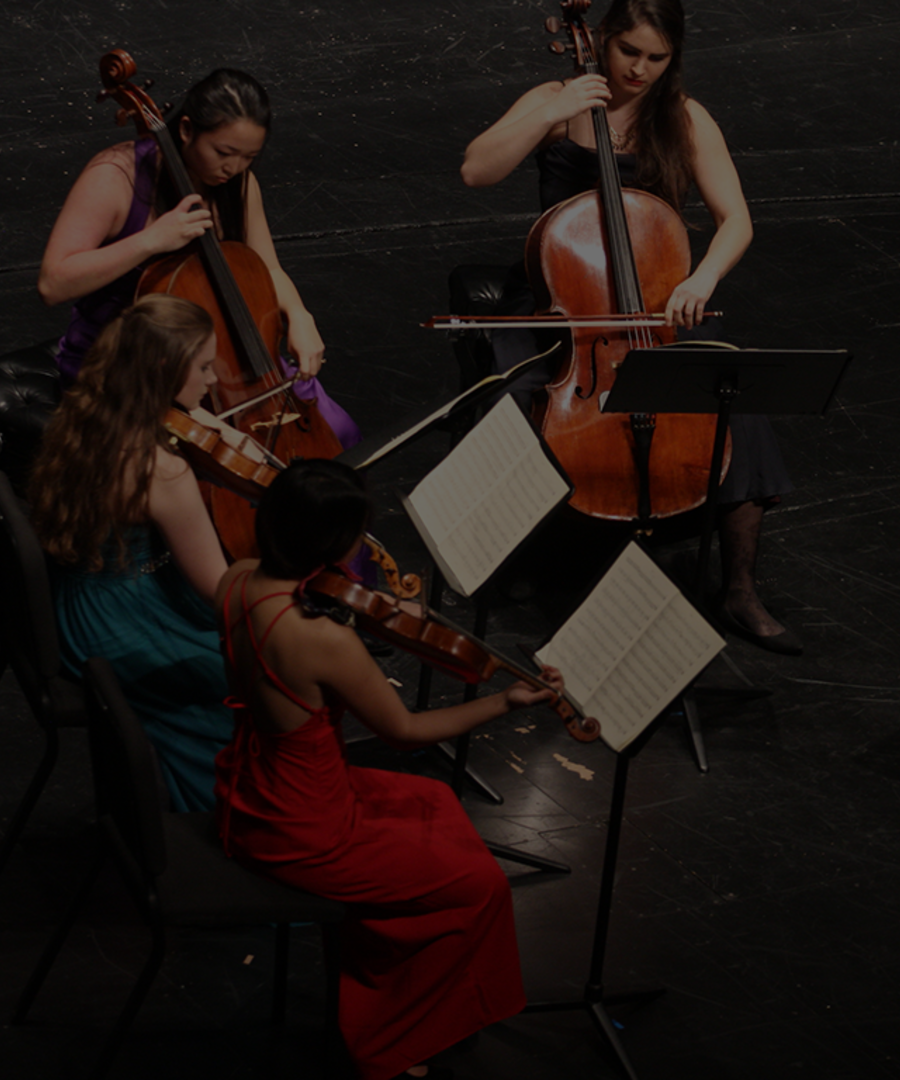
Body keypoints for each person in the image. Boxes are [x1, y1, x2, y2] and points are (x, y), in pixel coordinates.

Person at [460, 0, 799, 653]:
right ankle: (518, 557)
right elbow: (477, 169)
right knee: (511, 399)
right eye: (628, 53)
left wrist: (700, 280)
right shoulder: (557, 103)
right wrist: (550, 111)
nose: (639, 70)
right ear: (604, 42)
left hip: (652, 304)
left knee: (733, 397)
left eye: (656, 58)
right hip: (564, 301)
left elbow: (737, 221)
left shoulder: (684, 118)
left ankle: (738, 587)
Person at [214, 458, 554, 1080]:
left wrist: (377, 610)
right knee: (480, 887)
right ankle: (394, 1039)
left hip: (253, 789)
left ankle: (388, 991)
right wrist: (504, 700)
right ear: (330, 542)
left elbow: (312, 621)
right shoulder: (320, 639)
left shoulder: (235, 580)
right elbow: (404, 732)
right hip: (308, 825)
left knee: (433, 803)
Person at [38, 66, 357, 445]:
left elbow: (267, 267)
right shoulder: (116, 176)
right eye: (223, 152)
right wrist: (149, 241)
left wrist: (300, 316)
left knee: (339, 434)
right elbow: (54, 282)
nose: (234, 168)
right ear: (187, 130)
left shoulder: (239, 183)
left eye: (248, 157)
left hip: (218, 356)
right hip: (127, 363)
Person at [30, 294, 234, 811]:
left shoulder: (88, 412)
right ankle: (229, 807)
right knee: (238, 674)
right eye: (204, 366)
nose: (213, 381)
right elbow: (218, 588)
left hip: (80, 600)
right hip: (123, 616)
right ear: (164, 368)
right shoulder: (161, 471)